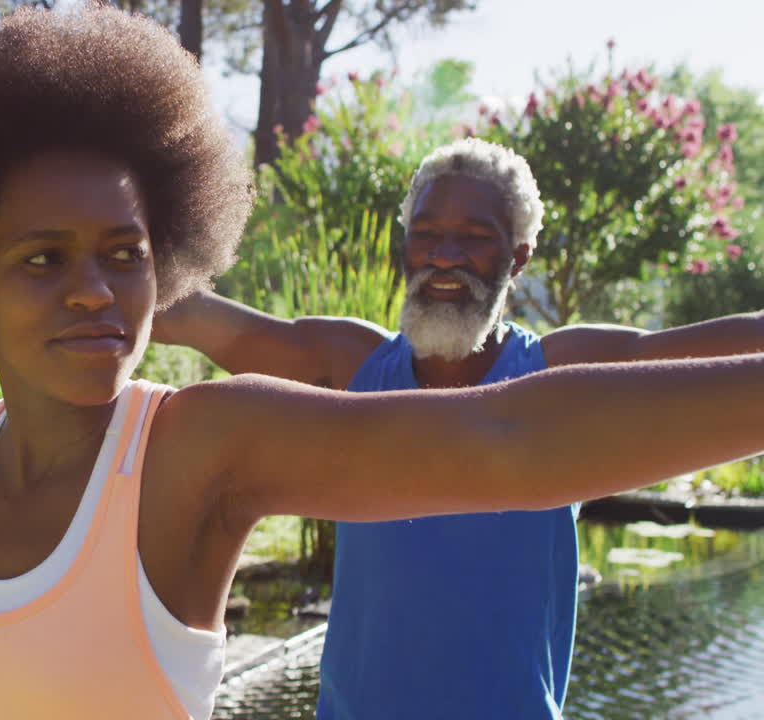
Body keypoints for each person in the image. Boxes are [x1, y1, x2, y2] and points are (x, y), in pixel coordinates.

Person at [0, 9, 764, 720]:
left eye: (124, 254)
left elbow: (507, 441)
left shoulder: (194, 451)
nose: (91, 289)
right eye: (40, 259)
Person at [153, 137, 764, 719]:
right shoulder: (349, 362)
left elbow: (703, 351)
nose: (444, 257)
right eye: (426, 236)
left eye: (473, 239)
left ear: (518, 255)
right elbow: (200, 319)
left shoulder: (556, 374)